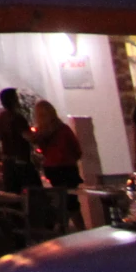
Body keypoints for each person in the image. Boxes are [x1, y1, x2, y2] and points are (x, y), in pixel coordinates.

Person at [30, 100, 84, 235]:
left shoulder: (40, 133)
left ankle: (61, 230)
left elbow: (41, 150)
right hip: (68, 167)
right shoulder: (63, 129)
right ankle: (81, 230)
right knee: (72, 201)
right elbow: (77, 149)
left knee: (60, 199)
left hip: (52, 168)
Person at [0, 88, 39, 203]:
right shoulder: (17, 118)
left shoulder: (0, 118)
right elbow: (29, 137)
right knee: (34, 194)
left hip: (7, 162)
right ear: (14, 100)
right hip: (21, 161)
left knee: (12, 197)